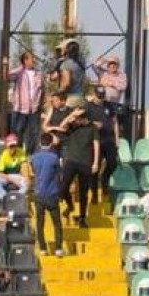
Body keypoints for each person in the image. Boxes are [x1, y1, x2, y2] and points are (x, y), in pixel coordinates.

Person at [58, 99, 99, 228]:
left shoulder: (92, 127)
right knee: (63, 187)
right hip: (71, 160)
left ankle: (82, 218)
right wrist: (72, 115)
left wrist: (95, 162)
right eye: (77, 118)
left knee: (83, 192)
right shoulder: (73, 125)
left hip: (85, 162)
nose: (78, 120)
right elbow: (61, 126)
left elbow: (96, 144)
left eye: (80, 118)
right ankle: (69, 205)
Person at [30, 132, 66, 256]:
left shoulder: (33, 157)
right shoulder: (54, 158)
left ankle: (43, 249)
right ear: (51, 144)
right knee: (57, 223)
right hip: (51, 193)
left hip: (38, 193)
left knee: (40, 223)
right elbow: (60, 176)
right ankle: (58, 248)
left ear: (40, 143)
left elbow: (34, 171)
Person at [4, 49, 44, 153]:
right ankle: (17, 153)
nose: (34, 60)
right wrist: (18, 67)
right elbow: (6, 76)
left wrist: (41, 105)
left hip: (34, 109)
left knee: (33, 133)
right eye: (32, 58)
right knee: (17, 132)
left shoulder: (38, 74)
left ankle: (30, 154)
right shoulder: (19, 73)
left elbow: (42, 90)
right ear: (25, 60)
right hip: (19, 109)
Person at [0, 132, 29, 204]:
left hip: (18, 175)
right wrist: (13, 180)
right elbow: (0, 172)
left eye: (14, 145)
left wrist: (26, 177)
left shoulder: (21, 152)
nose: (12, 148)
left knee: (26, 185)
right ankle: (5, 199)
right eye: (10, 146)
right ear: (7, 146)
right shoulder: (4, 154)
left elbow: (24, 166)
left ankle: (17, 199)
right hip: (7, 176)